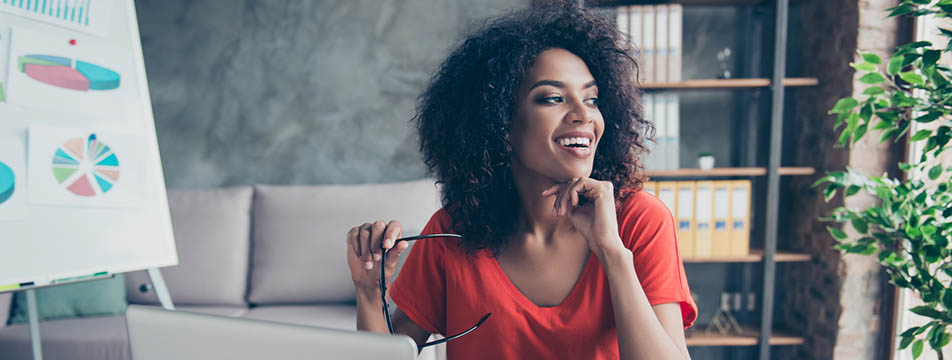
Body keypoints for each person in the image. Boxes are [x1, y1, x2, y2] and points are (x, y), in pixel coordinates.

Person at [345, 4, 697, 359]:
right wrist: (368, 291)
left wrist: (612, 253)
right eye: (553, 98)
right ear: (501, 126)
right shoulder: (453, 231)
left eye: (592, 99)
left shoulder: (641, 221)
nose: (584, 115)